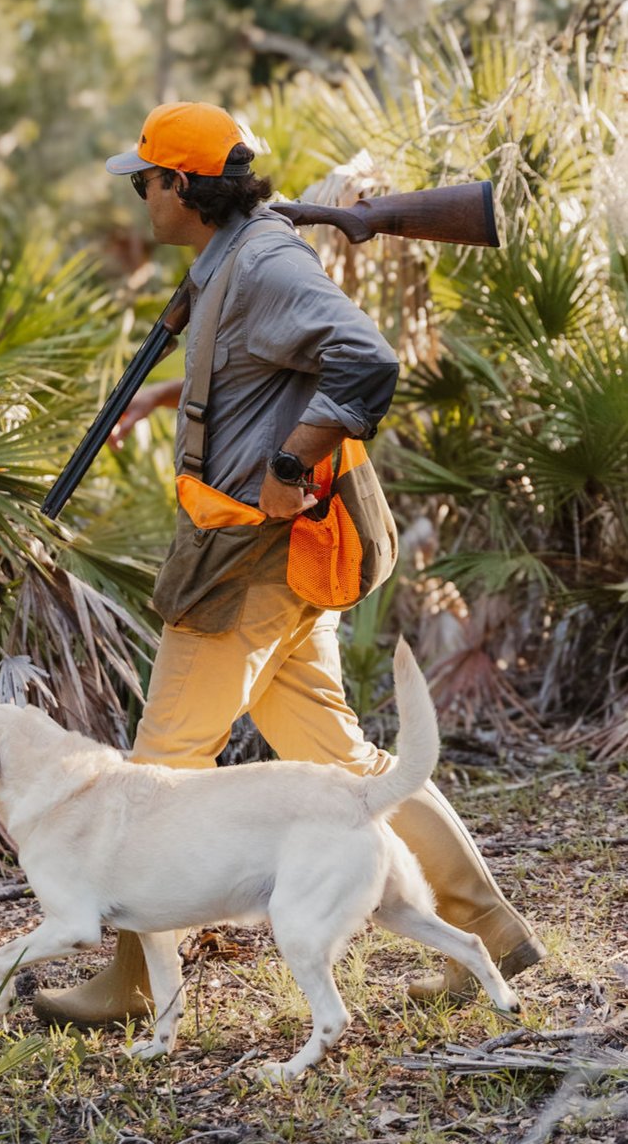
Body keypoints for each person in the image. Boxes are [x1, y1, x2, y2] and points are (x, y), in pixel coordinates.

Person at [33, 101, 545, 1028]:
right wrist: (166, 394)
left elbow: (365, 358)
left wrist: (286, 463)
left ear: (181, 187)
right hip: (278, 564)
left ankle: (133, 984)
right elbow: (260, 362)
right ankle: (490, 928)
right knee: (349, 763)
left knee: (153, 771)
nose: (141, 195)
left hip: (247, 564)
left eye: (146, 180)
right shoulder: (243, 252)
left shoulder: (264, 259)